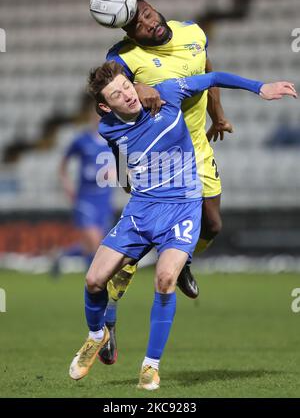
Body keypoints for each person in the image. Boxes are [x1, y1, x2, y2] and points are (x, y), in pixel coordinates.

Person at [69, 59, 296, 390]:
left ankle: (150, 365)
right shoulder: (108, 127)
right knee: (93, 280)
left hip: (182, 206)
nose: (127, 95)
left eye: (126, 86)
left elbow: (215, 76)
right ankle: (96, 335)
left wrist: (260, 87)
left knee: (164, 280)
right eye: (117, 94)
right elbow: (118, 150)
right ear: (106, 106)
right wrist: (122, 178)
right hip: (141, 208)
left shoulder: (169, 94)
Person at [99, 0, 233, 364]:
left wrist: (218, 115)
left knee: (214, 226)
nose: (147, 23)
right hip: (161, 159)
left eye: (147, 14)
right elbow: (103, 90)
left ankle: (183, 258)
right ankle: (107, 316)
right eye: (138, 24)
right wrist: (134, 86)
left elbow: (207, 67)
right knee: (135, 249)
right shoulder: (124, 56)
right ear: (129, 32)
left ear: (154, 8)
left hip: (198, 148)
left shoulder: (193, 31)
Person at [57, 108, 115, 271]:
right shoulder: (81, 141)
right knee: (94, 240)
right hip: (85, 198)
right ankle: (95, 283)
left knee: (95, 245)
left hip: (104, 199)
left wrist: (116, 173)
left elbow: (124, 166)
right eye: (96, 115)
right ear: (91, 117)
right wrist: (67, 186)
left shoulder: (115, 140)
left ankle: (63, 255)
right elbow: (63, 165)